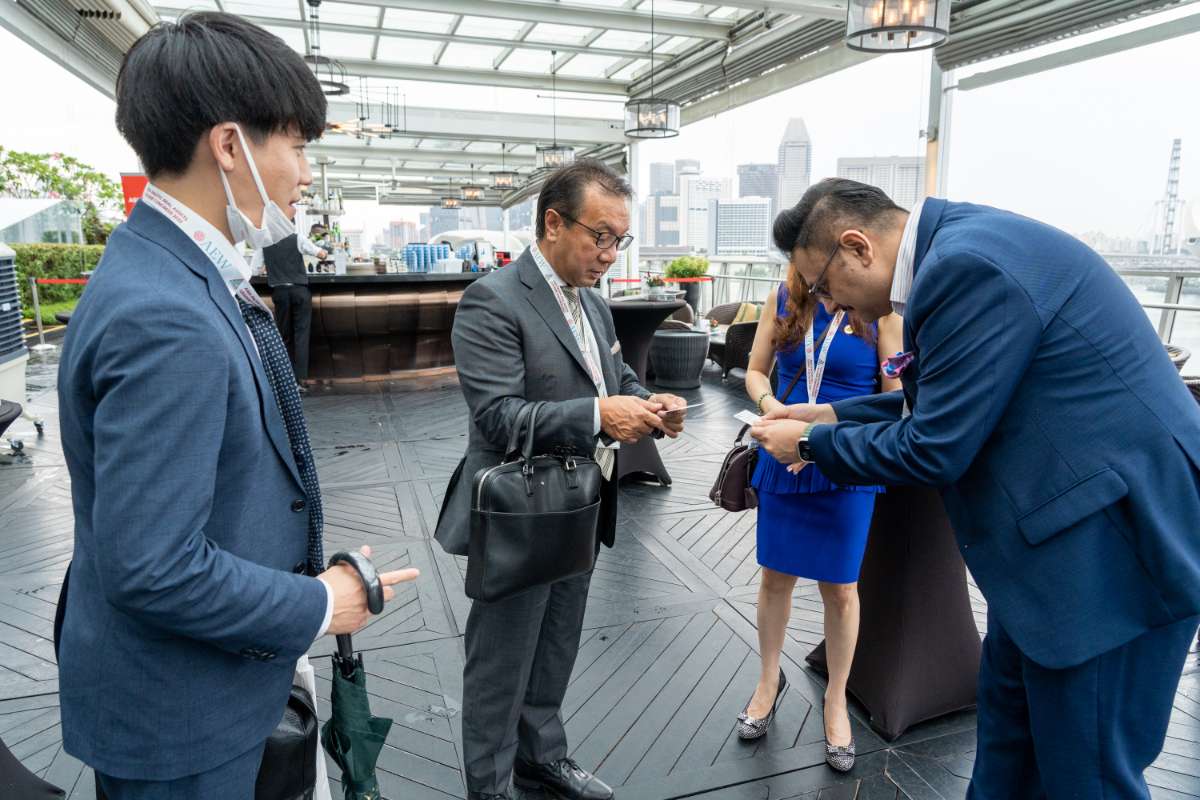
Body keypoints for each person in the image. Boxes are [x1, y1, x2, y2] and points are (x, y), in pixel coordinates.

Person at [55, 13, 418, 799]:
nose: (305, 173)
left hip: (190, 689)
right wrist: (318, 602)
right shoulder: (166, 315)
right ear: (228, 146)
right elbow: (153, 566)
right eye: (297, 145)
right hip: (182, 716)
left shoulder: (166, 270)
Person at [750, 178, 1200, 799]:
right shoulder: (959, 250)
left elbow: (935, 447)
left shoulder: (964, 268)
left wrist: (807, 445)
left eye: (825, 288)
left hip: (1110, 561)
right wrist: (826, 416)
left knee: (1088, 777)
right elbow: (939, 402)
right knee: (1007, 752)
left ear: (857, 247)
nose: (836, 309)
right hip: (1046, 563)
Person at [435, 159, 688, 800]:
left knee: (556, 642)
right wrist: (599, 416)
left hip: (581, 501)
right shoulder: (493, 299)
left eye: (619, 240)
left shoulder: (593, 304)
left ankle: (540, 758)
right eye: (600, 236)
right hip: (519, 510)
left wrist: (649, 402)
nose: (610, 253)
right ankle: (488, 786)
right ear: (553, 223)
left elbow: (614, 379)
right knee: (501, 658)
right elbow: (498, 417)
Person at [737, 205, 901, 772]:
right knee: (774, 576)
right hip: (781, 451)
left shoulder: (881, 311)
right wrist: (771, 407)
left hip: (846, 460)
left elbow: (894, 399)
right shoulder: (783, 298)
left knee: (841, 588)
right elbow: (754, 370)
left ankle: (835, 699)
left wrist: (824, 433)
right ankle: (768, 681)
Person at [251, 223, 327, 386]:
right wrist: (324, 251)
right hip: (300, 291)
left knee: (284, 336)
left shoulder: (263, 244)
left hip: (280, 292)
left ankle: (287, 380)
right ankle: (301, 379)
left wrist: (269, 266)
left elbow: (255, 271)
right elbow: (321, 254)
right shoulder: (297, 238)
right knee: (301, 335)